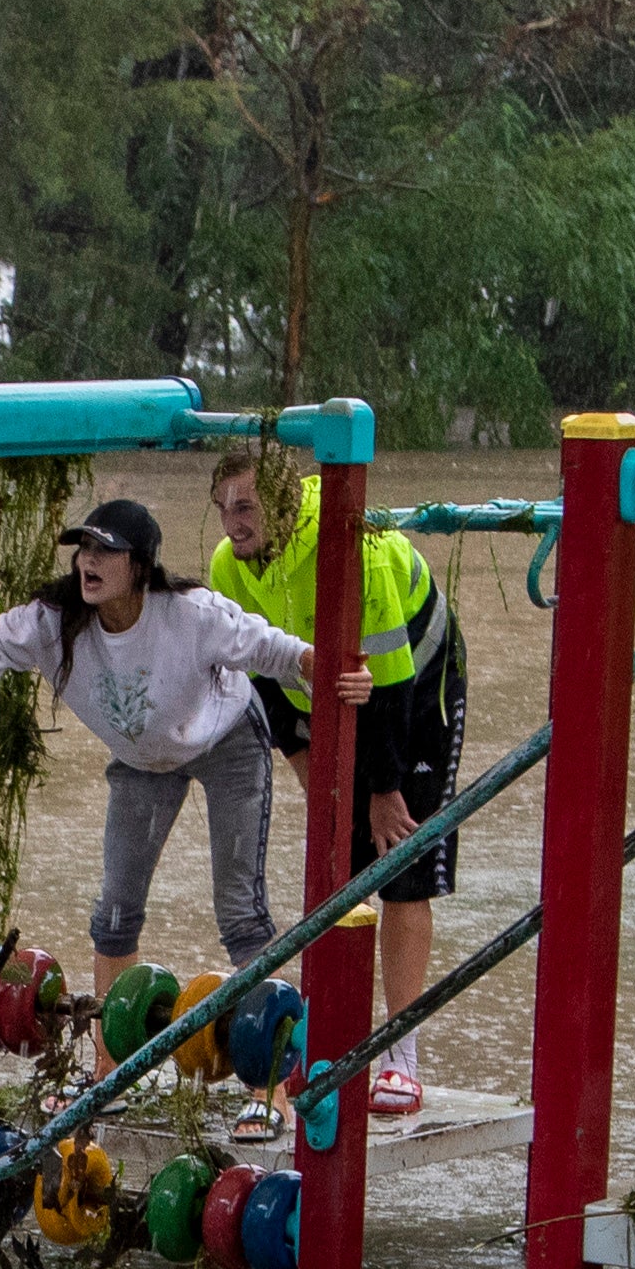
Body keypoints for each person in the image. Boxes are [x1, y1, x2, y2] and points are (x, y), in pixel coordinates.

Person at [0, 496, 367, 1140]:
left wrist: (332, 672)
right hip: (140, 761)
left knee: (241, 914)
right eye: (83, 549)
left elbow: (272, 648)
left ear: (140, 565)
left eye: (105, 551)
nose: (88, 562)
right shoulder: (57, 623)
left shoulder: (190, 615)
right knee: (113, 913)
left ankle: (268, 1088)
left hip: (227, 742)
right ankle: (109, 1076)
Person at [207, 453, 464, 1116]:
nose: (233, 526)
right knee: (335, 870)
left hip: (417, 680)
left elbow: (395, 682)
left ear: (284, 509)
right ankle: (331, 1045)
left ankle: (401, 1055)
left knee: (401, 862)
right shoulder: (225, 568)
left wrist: (382, 790)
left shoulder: (355, 547)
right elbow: (256, 674)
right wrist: (299, 757)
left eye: (247, 510)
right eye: (224, 510)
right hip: (327, 691)